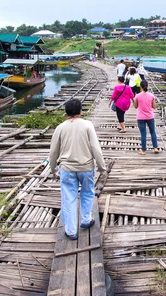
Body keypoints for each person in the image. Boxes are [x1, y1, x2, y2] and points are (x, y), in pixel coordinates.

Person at [49, 99, 106, 240]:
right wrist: (101, 167)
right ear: (80, 111)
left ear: (66, 112)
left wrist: (53, 169)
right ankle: (86, 219)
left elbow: (53, 152)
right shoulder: (87, 125)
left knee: (69, 198)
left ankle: (71, 230)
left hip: (67, 168)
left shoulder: (60, 128)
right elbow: (95, 148)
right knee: (87, 193)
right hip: (86, 167)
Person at [133, 80, 159, 155]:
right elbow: (154, 106)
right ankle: (155, 147)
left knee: (143, 134)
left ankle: (143, 150)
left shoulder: (137, 96)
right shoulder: (151, 96)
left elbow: (135, 106)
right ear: (147, 86)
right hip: (150, 116)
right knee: (152, 132)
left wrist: (134, 101)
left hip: (140, 117)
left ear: (140, 86)